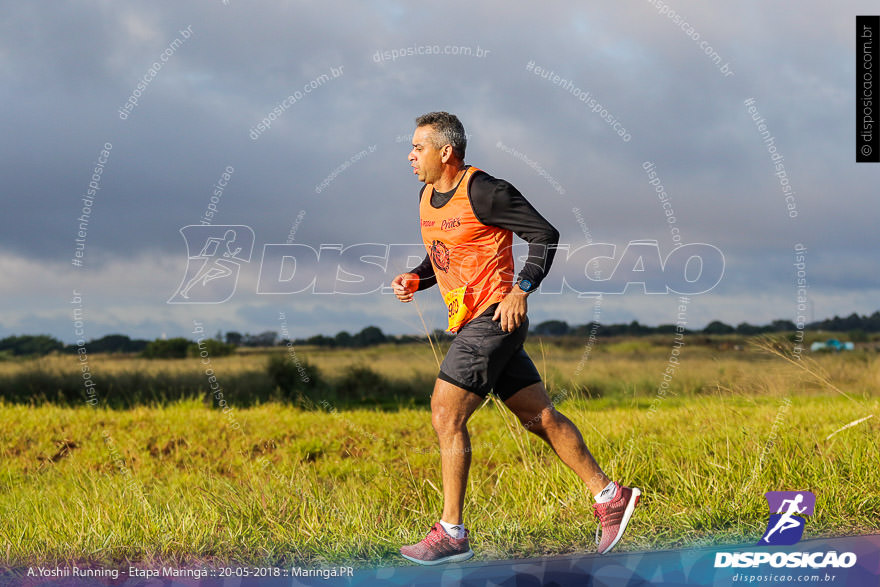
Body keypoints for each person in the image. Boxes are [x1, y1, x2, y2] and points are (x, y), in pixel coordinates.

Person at [391, 112, 640, 565]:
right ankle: (610, 495)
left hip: (493, 317)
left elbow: (545, 235)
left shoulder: (486, 190)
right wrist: (417, 277)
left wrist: (520, 289)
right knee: (539, 417)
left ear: (446, 152)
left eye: (417, 147)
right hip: (474, 323)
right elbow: (444, 254)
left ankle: (451, 532)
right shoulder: (427, 195)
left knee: (445, 414)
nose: (410, 155)